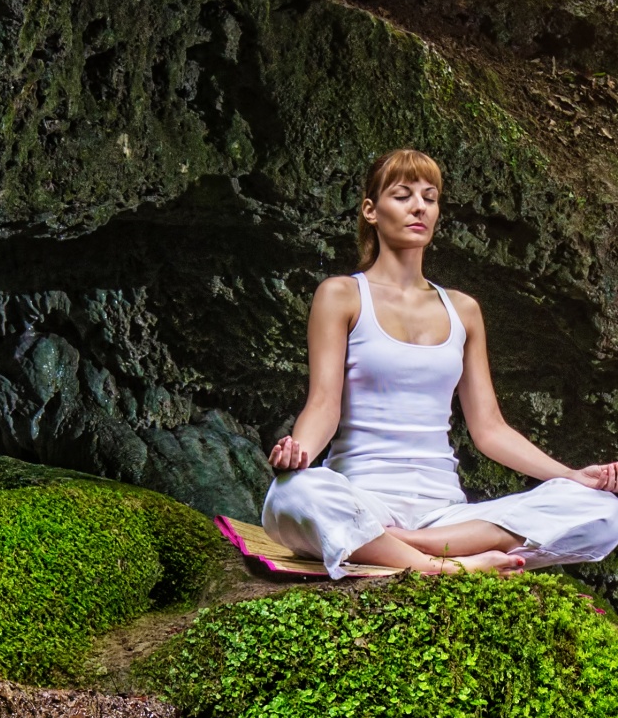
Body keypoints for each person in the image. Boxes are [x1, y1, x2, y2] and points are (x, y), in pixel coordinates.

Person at [263, 148, 618, 578]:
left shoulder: (464, 310)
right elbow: (323, 404)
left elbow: (489, 429)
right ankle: (447, 566)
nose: (419, 207)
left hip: (443, 513)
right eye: (403, 195)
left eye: (429, 197)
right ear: (371, 211)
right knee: (292, 494)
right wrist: (298, 454)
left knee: (604, 513)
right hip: (361, 495)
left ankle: (393, 544)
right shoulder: (341, 295)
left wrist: (571, 476)